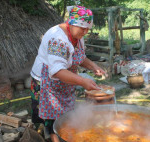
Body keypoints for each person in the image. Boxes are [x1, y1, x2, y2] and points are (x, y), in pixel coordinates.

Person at [30, 5, 106, 142]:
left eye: (88, 28)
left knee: (66, 116)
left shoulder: (77, 35)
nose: (86, 31)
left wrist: (94, 66)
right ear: (71, 23)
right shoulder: (57, 39)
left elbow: (80, 57)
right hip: (46, 83)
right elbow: (57, 71)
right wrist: (83, 82)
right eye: (83, 28)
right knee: (49, 119)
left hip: (64, 83)